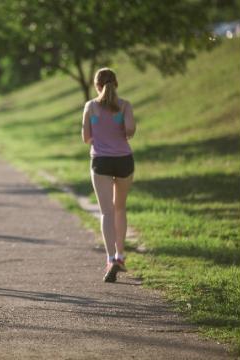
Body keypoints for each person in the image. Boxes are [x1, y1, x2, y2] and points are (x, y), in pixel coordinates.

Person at [81, 68, 136, 283]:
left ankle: (111, 258)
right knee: (120, 208)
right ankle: (121, 257)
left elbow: (86, 138)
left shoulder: (90, 107)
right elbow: (130, 131)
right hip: (124, 161)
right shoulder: (125, 105)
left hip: (101, 161)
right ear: (116, 83)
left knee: (106, 212)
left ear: (96, 85)